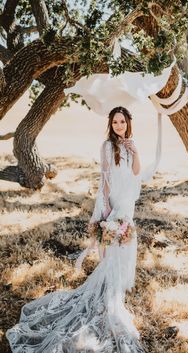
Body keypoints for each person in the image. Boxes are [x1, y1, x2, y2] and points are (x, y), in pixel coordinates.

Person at [6, 106, 144, 353]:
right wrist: (105, 210)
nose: (119, 126)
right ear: (111, 125)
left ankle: (116, 288)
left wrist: (134, 152)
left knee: (124, 245)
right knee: (111, 248)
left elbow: (136, 174)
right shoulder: (107, 147)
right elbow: (104, 179)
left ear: (128, 123)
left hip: (127, 205)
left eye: (122, 122)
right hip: (114, 205)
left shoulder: (132, 145)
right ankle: (107, 293)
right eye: (115, 122)